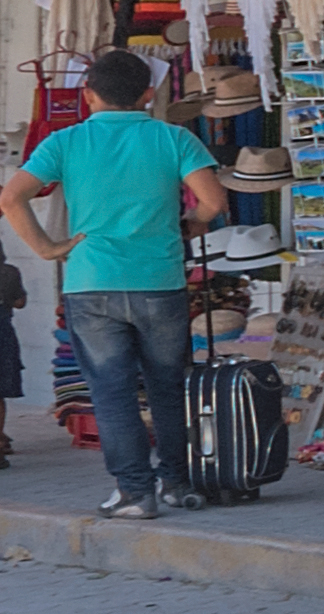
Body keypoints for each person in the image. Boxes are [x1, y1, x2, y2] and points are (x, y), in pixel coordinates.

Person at [11, 48, 226, 519]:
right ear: (149, 95)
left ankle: (135, 493)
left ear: (87, 96)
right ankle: (177, 483)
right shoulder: (174, 138)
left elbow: (12, 198)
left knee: (111, 392)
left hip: (92, 284)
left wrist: (48, 248)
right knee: (168, 388)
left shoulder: (65, 143)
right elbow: (212, 201)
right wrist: (188, 226)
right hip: (160, 283)